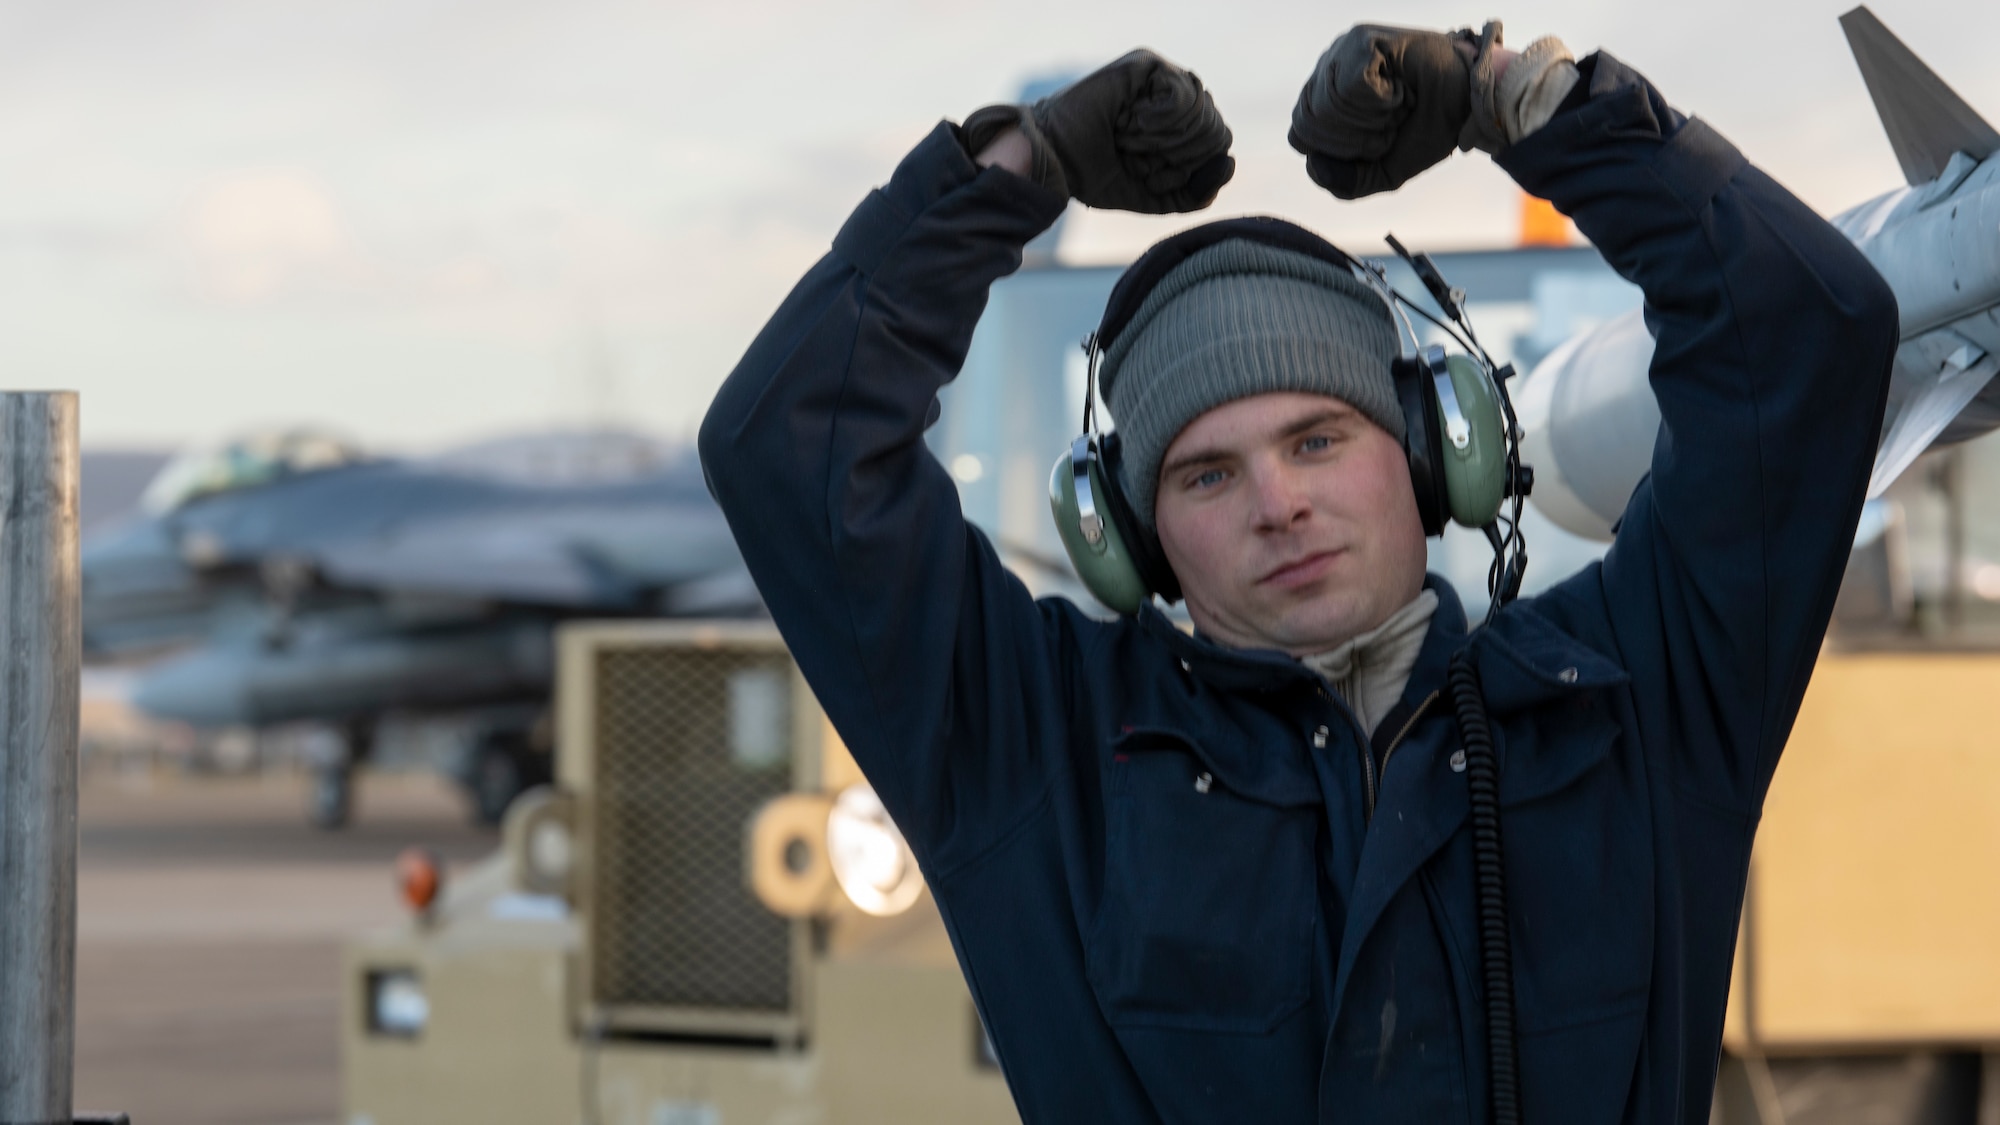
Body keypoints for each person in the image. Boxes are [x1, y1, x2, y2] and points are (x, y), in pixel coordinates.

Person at [700, 23, 1897, 1124]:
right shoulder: (1037, 752)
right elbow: (788, 448)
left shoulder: (1632, 702)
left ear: (1433, 455)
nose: (1280, 502)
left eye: (1318, 440)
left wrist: (1519, 105)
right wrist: (1016, 170)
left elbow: (1801, 332)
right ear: (1133, 532)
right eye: (1207, 476)